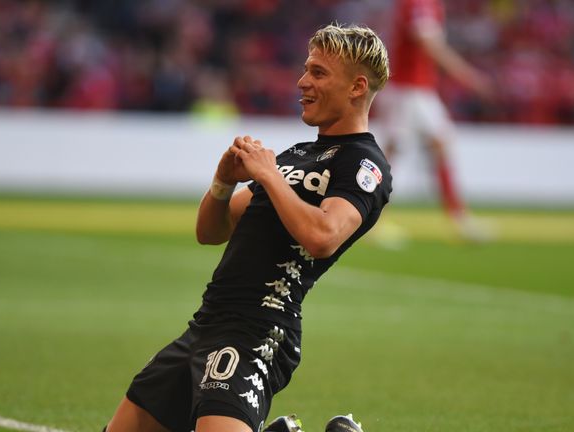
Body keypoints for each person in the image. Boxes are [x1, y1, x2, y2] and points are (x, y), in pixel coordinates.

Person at [104, 23, 392, 432]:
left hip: (256, 332)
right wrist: (224, 181)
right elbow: (211, 230)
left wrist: (270, 176)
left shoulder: (365, 165)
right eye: (306, 69)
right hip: (205, 326)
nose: (302, 81)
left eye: (319, 73)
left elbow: (323, 237)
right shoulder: (299, 154)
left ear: (357, 86)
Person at [375, 0, 494, 242]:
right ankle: (371, 219)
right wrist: (468, 76)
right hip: (408, 90)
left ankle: (458, 218)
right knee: (393, 153)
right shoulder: (419, 3)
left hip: (415, 89)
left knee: (431, 147)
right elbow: (429, 44)